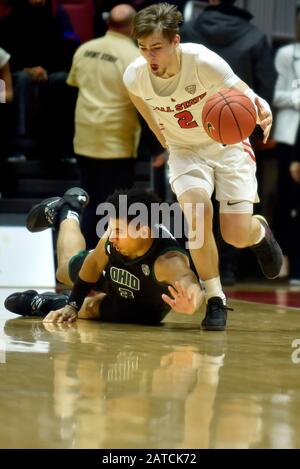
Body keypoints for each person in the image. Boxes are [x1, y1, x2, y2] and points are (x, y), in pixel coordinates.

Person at [122, 2, 283, 331]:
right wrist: (163, 139)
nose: (149, 56)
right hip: (185, 151)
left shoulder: (202, 61)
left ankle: (259, 231)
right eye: (142, 47)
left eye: (157, 47)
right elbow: (147, 112)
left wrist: (262, 109)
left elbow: (247, 94)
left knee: (235, 235)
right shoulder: (134, 75)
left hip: (227, 146)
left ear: (175, 41)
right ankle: (215, 299)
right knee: (197, 217)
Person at [5, 186, 205, 326]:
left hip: (143, 309)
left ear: (144, 231)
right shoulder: (112, 239)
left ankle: (45, 303)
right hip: (110, 272)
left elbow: (190, 282)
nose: (112, 236)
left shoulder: (167, 260)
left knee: (90, 310)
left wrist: (192, 304)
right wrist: (72, 304)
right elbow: (93, 264)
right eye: (111, 228)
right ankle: (69, 210)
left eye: (119, 230)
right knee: (64, 271)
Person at [180, 0, 277, 285]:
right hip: (238, 126)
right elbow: (266, 83)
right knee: (233, 205)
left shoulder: (186, 31)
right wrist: (261, 132)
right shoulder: (255, 35)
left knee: (196, 207)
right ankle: (230, 268)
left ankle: (199, 269)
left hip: (191, 126)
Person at [66, 4, 141, 249]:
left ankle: (82, 261)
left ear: (108, 22)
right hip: (116, 141)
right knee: (115, 209)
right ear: (133, 27)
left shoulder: (85, 49)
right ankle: (108, 261)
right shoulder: (134, 57)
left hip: (85, 136)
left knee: (87, 203)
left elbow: (73, 83)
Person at [272, 13, 300, 285]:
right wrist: (296, 97)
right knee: (286, 200)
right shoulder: (287, 54)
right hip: (290, 134)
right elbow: (276, 94)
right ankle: (285, 258)